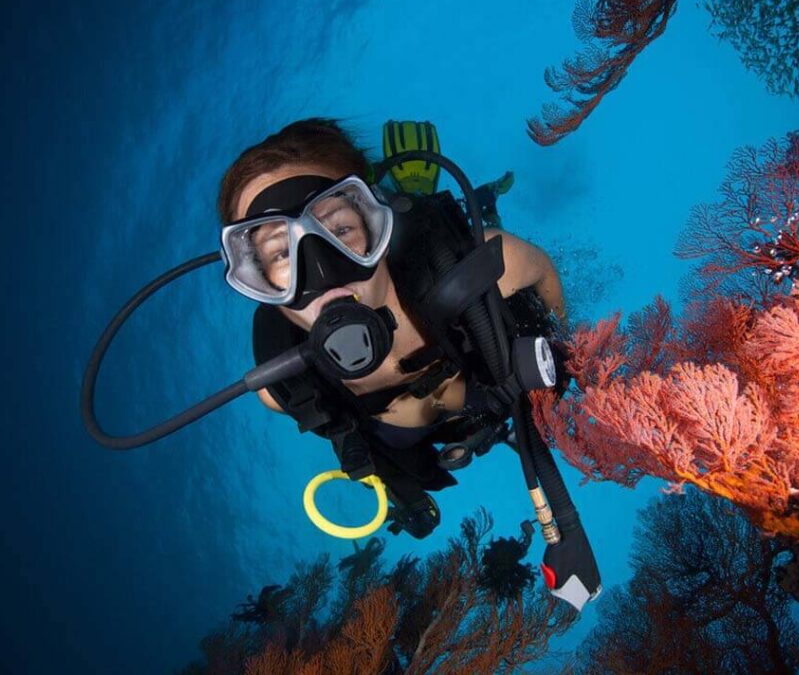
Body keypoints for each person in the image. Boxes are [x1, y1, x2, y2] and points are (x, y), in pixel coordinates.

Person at [217, 118, 568, 538]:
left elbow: (542, 272)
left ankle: (479, 199)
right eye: (280, 254)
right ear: (257, 280)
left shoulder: (487, 266)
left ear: (372, 219)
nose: (324, 273)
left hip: (443, 272)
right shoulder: (283, 389)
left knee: (480, 227)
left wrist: (564, 342)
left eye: (341, 228)